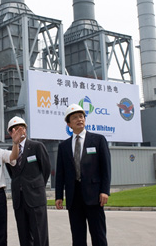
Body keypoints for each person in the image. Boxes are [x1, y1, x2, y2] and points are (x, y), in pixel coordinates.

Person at [55, 104, 111, 246]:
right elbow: (60, 173)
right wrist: (58, 196)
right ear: (69, 124)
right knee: (78, 237)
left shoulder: (98, 140)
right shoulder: (63, 146)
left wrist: (105, 191)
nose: (79, 119)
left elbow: (106, 168)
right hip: (74, 198)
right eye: (75, 118)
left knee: (98, 235)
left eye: (81, 116)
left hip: (94, 196)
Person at [6, 116, 51, 246]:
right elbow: (13, 172)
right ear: (10, 133)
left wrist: (36, 186)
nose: (18, 131)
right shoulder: (9, 151)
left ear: (25, 129)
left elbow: (46, 169)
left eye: (21, 127)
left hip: (35, 198)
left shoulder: (37, 146)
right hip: (19, 200)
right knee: (24, 235)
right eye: (14, 129)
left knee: (39, 235)